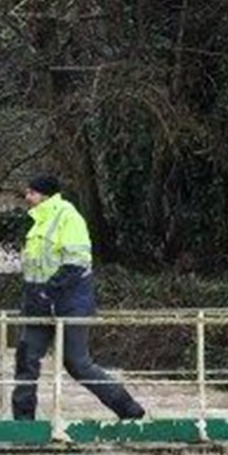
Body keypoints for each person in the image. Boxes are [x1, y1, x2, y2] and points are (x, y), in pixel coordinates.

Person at [12, 175, 145, 421]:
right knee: (25, 359)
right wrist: (33, 298)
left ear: (45, 195)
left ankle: (128, 408)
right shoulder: (37, 222)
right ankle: (22, 422)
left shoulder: (69, 218)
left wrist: (47, 291)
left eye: (31, 193)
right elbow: (35, 269)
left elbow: (76, 263)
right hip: (38, 305)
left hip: (69, 304)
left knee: (77, 363)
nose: (27, 198)